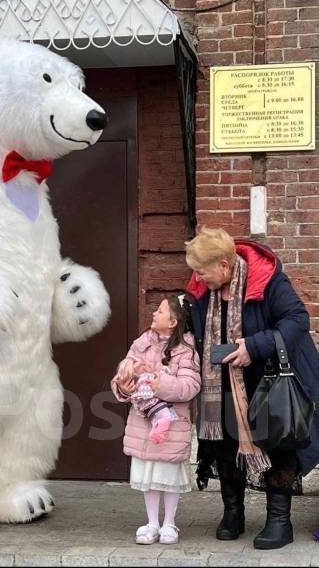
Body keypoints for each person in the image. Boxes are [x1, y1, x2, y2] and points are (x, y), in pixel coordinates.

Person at [185, 227, 319, 550]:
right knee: (226, 444)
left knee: (278, 446)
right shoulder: (202, 290)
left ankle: (279, 521)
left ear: (224, 266)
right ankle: (233, 513)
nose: (198, 279)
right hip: (225, 384)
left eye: (202, 272)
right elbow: (190, 331)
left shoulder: (268, 280)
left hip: (271, 381)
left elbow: (298, 320)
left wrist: (252, 347)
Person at [111, 294, 200, 546]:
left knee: (168, 474)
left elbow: (190, 385)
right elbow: (122, 374)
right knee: (150, 475)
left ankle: (170, 522)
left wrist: (159, 382)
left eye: (160, 311)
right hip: (143, 421)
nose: (154, 314)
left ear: (173, 322)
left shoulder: (186, 348)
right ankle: (151, 522)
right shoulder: (142, 343)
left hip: (173, 422)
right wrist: (125, 386)